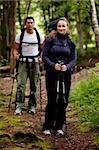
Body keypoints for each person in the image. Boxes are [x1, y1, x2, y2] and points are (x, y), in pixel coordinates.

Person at [42, 17, 77, 135]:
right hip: (52, 73)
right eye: (59, 26)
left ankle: (59, 126)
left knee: (63, 99)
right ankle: (47, 125)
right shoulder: (50, 40)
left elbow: (74, 59)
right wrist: (53, 65)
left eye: (63, 26)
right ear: (56, 28)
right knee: (52, 98)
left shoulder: (71, 43)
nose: (61, 28)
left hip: (65, 74)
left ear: (67, 28)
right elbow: (44, 57)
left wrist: (67, 66)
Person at [13, 16, 44, 115]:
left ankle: (32, 106)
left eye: (31, 22)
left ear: (34, 24)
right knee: (20, 85)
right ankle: (19, 107)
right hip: (22, 62)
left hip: (35, 63)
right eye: (28, 23)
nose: (30, 24)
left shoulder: (39, 35)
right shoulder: (20, 35)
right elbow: (15, 49)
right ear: (25, 24)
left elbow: (43, 49)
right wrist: (15, 55)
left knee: (33, 85)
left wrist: (41, 57)